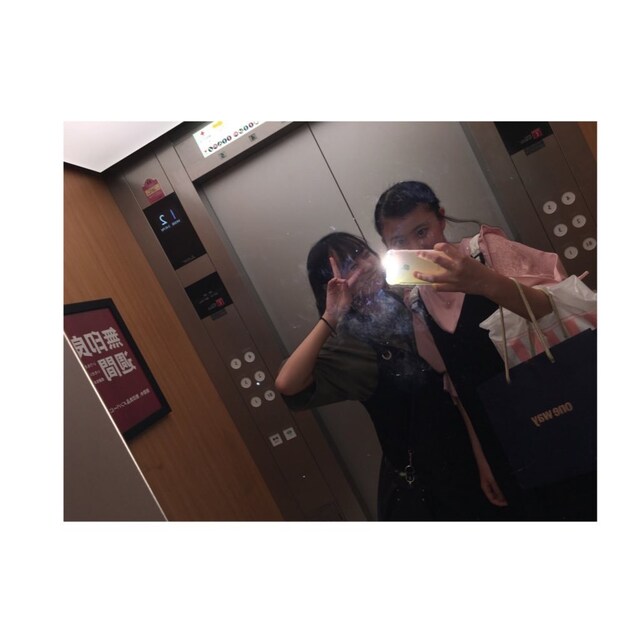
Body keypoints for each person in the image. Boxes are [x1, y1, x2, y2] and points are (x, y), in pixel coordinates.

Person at [373, 180, 596, 520]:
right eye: (399, 241)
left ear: (441, 219)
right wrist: (482, 455)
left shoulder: (486, 251)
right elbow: (456, 383)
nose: (417, 247)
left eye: (422, 231)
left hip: (551, 407)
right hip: (497, 432)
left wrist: (483, 282)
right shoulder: (416, 299)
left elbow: (552, 310)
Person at [275, 231, 507, 521]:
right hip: (431, 489)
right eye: (350, 266)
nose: (366, 266)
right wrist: (331, 315)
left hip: (474, 451)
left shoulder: (411, 299)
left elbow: (456, 386)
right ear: (330, 285)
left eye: (363, 254)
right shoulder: (350, 347)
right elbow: (288, 383)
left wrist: (482, 455)